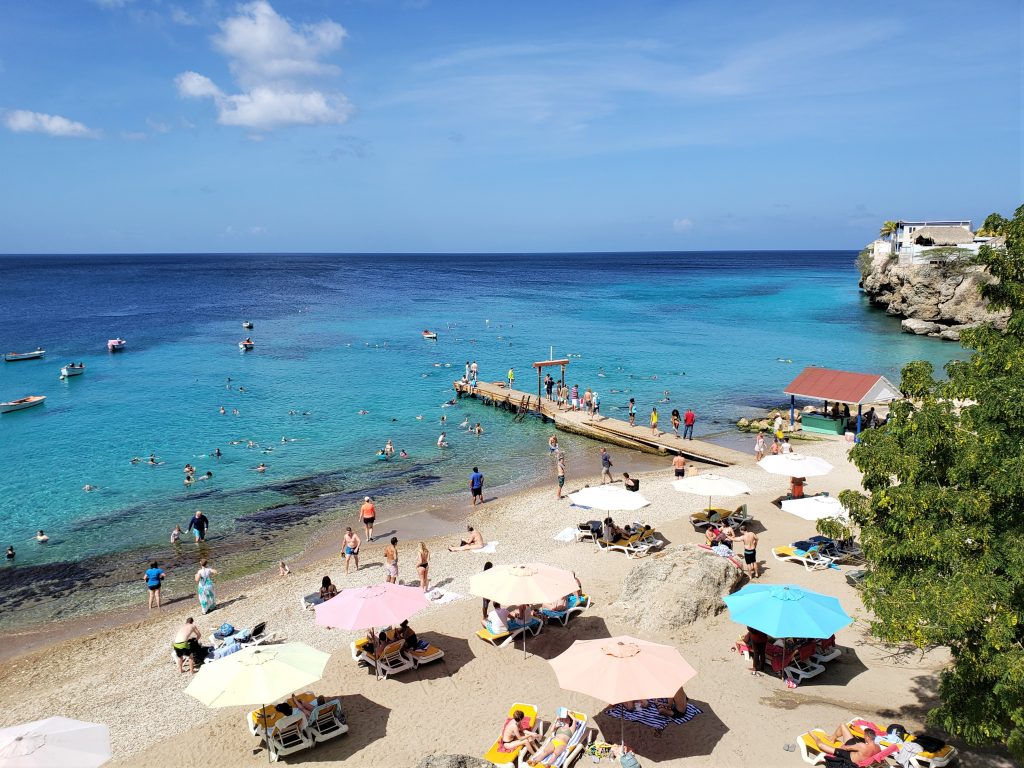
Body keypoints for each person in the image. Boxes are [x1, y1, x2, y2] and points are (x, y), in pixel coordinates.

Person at [810, 724, 880, 767]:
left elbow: (846, 748)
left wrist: (841, 747)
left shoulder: (863, 746)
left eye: (864, 736)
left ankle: (815, 737)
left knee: (820, 745)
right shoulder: (878, 747)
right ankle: (832, 738)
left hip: (849, 756)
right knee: (843, 726)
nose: (864, 737)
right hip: (858, 753)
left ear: (868, 737)